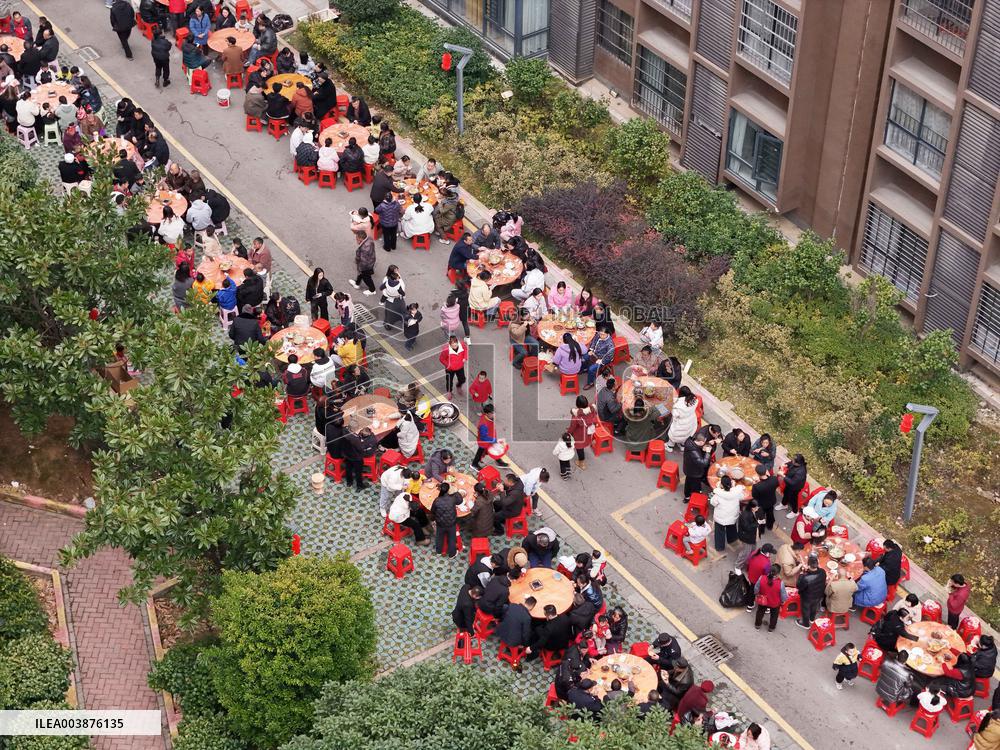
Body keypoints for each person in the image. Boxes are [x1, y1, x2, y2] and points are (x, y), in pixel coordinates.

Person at [709, 475, 741, 552]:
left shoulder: (718, 495)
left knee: (719, 532)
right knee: (731, 528)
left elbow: (713, 503)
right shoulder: (736, 492)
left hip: (721, 518)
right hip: (732, 516)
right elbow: (741, 496)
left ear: (722, 485)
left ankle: (720, 547)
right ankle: (732, 540)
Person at [567, 396, 599, 472]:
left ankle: (581, 463)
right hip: (587, 433)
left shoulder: (576, 416)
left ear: (577, 405)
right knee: (583, 445)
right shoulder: (592, 410)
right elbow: (595, 419)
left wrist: (568, 433)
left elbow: (572, 427)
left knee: (579, 448)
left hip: (579, 436)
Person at [795, 554, 826, 629]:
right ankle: (812, 619)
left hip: (807, 597)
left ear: (808, 566)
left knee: (805, 609)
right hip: (818, 595)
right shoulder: (822, 572)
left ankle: (806, 624)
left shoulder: (806, 578)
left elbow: (799, 586)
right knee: (814, 607)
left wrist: (801, 574)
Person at [343, 426, 378, 491]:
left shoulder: (345, 432)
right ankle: (359, 486)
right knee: (358, 472)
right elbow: (361, 449)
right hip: (356, 457)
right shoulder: (356, 439)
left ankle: (349, 482)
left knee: (348, 468)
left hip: (348, 454)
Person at [753, 565, 786, 632]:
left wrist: (756, 594)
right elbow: (783, 594)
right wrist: (783, 601)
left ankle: (757, 625)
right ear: (778, 574)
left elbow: (756, 588)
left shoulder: (761, 578)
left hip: (763, 601)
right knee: (774, 616)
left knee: (760, 612)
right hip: (775, 603)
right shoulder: (780, 583)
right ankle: (771, 628)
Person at [682, 433, 712, 502]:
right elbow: (703, 463)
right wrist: (707, 452)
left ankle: (687, 496)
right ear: (700, 442)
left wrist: (702, 449)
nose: (705, 443)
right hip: (694, 472)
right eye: (704, 442)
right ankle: (695, 499)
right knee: (695, 486)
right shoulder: (694, 451)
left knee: (688, 482)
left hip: (689, 468)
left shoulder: (690, 442)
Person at [734, 501, 762, 571]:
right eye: (756, 507)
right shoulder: (745, 515)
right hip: (746, 537)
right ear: (752, 508)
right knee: (745, 552)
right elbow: (747, 527)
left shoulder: (755, 512)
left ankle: (747, 561)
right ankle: (738, 566)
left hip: (753, 536)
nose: (758, 508)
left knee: (752, 549)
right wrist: (757, 524)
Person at [440, 335, 467, 402]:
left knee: (462, 379)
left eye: (456, 345)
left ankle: (458, 386)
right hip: (450, 369)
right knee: (449, 381)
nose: (455, 346)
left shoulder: (462, 345)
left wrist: (465, 358)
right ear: (450, 344)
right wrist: (448, 365)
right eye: (453, 345)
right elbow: (441, 359)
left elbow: (466, 350)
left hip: (460, 367)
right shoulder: (446, 350)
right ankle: (449, 392)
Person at [379, 265, 406, 332]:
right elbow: (383, 290)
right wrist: (391, 295)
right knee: (390, 312)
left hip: (399, 298)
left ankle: (402, 319)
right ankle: (387, 323)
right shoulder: (386, 279)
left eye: (397, 270)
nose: (397, 271)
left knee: (402, 309)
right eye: (396, 270)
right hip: (391, 300)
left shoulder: (397, 276)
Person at [350, 229, 377, 295]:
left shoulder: (364, 248)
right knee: (361, 274)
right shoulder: (369, 239)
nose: (356, 240)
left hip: (366, 266)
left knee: (366, 278)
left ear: (360, 239)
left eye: (357, 238)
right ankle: (357, 284)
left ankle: (372, 290)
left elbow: (364, 262)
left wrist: (360, 268)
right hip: (371, 260)